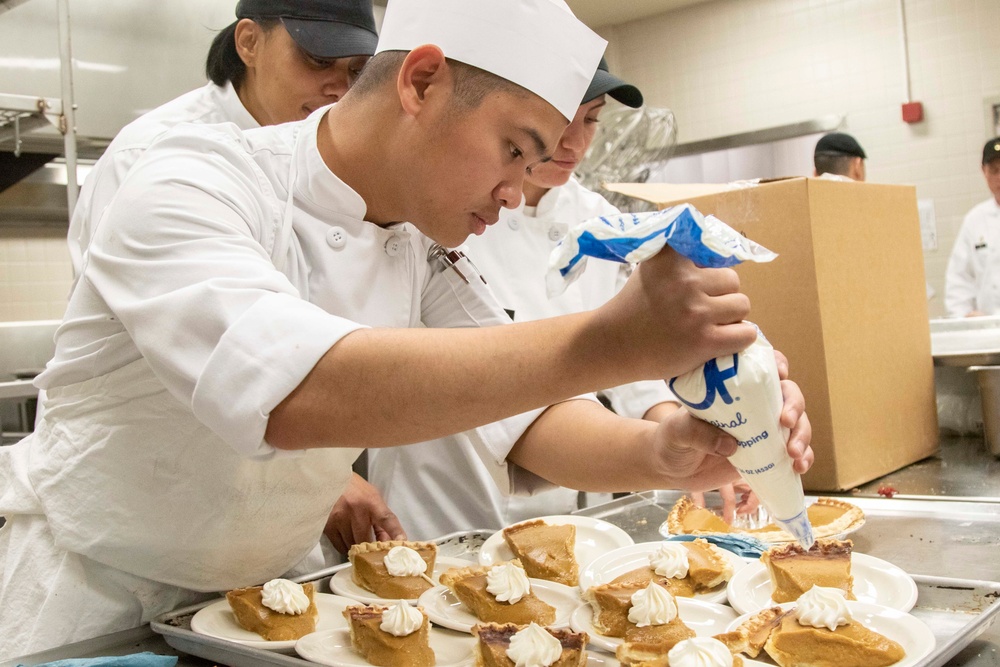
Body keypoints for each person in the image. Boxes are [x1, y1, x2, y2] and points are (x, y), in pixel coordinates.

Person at [0, 0, 813, 655]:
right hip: (95, 600)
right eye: (512, 149)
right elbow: (299, 391)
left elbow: (522, 415)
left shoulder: (421, 241)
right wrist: (613, 339)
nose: (514, 192)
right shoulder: (189, 181)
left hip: (266, 598)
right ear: (421, 82)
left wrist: (668, 452)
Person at [60, 0, 401, 556]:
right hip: (134, 515)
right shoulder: (160, 154)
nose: (338, 90)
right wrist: (325, 475)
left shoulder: (319, 170)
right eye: (318, 61)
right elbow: (185, 348)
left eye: (357, 72)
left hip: (255, 522)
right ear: (249, 42)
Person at [368, 58, 755, 539]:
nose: (572, 141)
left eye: (590, 119)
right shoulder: (443, 215)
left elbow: (639, 369)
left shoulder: (600, 221)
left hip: (579, 486)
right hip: (446, 506)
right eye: (559, 117)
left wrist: (688, 434)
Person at [944, 137, 1000, 317]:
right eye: (995, 170)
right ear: (984, 172)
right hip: (988, 333)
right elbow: (958, 280)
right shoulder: (975, 221)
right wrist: (966, 316)